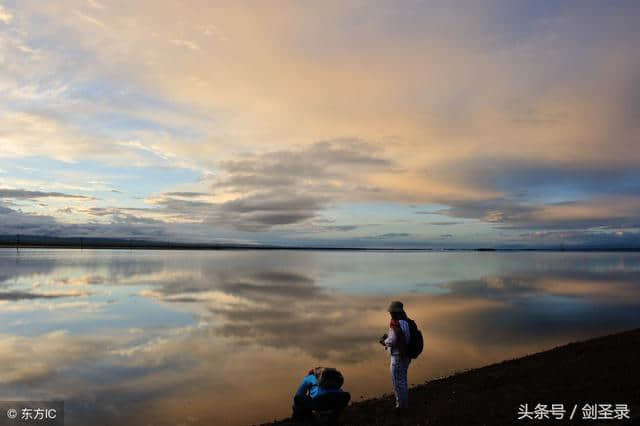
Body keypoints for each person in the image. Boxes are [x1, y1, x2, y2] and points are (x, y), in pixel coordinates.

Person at [380, 300, 412, 411]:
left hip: (398, 356)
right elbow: (403, 338)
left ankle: (401, 407)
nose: (390, 313)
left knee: (397, 383)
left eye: (392, 312)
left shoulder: (396, 324)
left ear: (395, 312)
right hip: (406, 355)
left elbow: (392, 341)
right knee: (402, 381)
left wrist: (384, 341)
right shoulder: (406, 322)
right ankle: (404, 404)